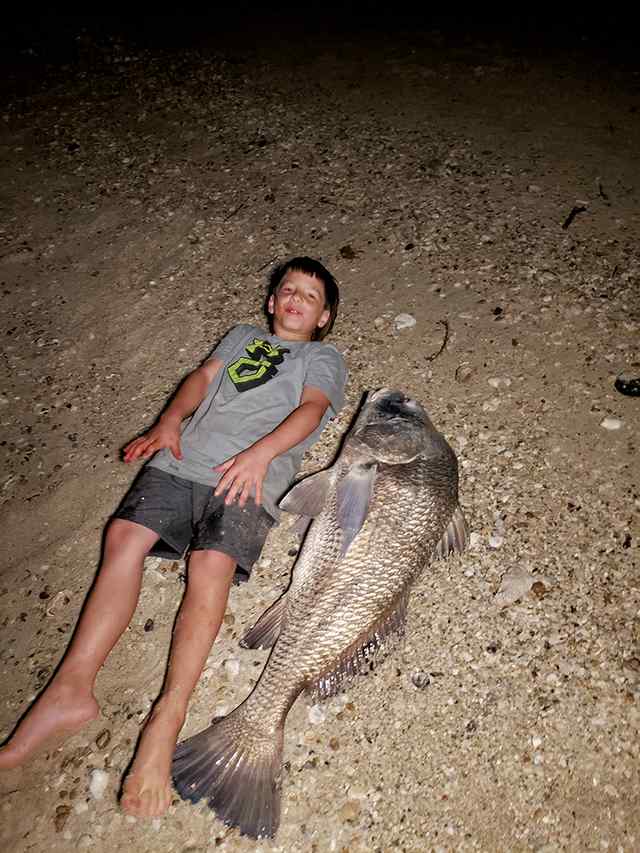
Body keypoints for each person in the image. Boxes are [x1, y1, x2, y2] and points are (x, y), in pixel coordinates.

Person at [0, 256, 347, 819]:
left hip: (247, 477)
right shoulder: (239, 336)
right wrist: (170, 420)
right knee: (122, 537)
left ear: (323, 315)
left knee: (209, 568)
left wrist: (260, 454)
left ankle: (168, 717)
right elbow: (201, 380)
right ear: (269, 301)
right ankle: (70, 688)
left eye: (309, 296)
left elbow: (312, 411)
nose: (295, 299)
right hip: (181, 461)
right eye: (287, 289)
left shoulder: (320, 356)